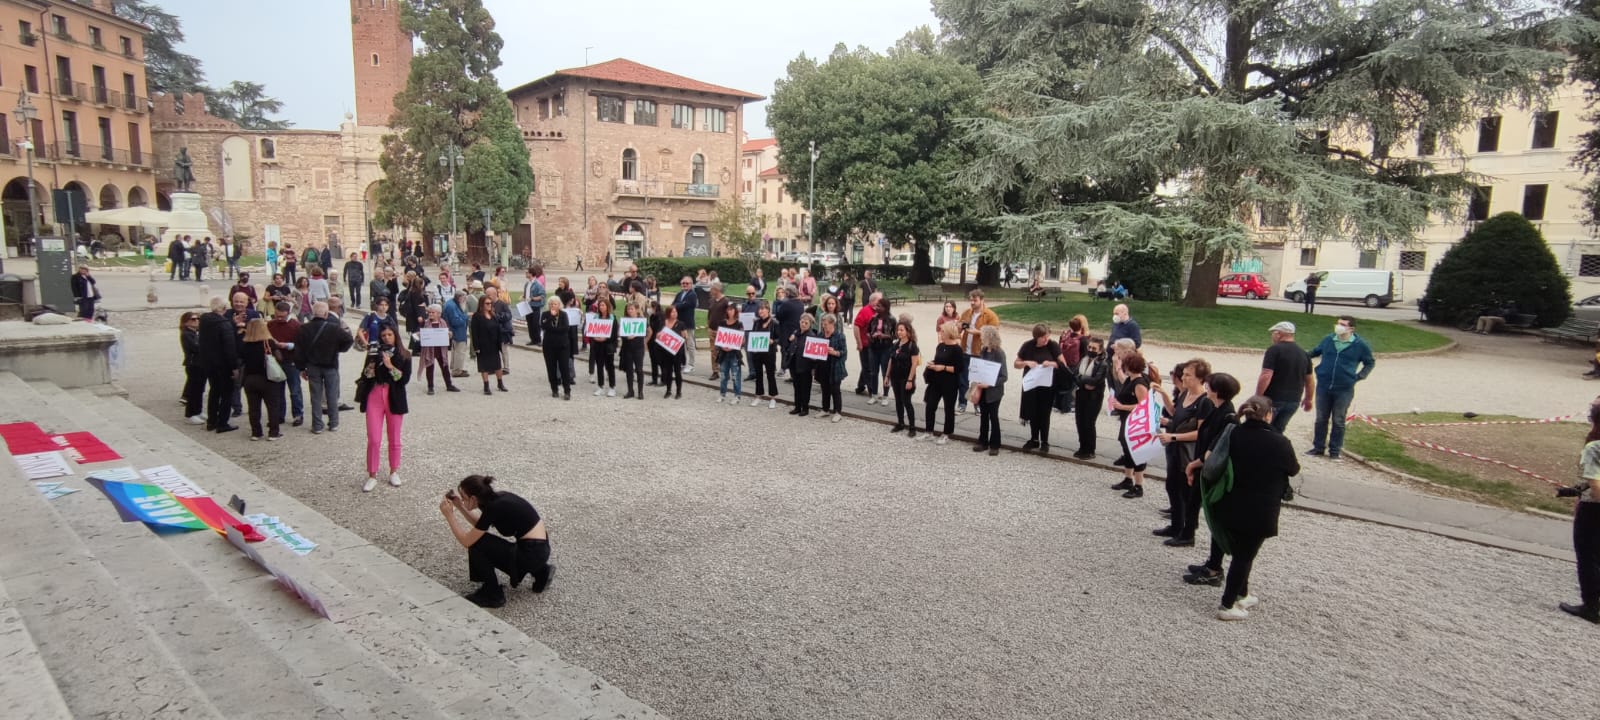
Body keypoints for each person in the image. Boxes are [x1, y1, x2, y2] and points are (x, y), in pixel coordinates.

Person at [1202, 395, 1300, 621]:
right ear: (1269, 414)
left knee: (1240, 551)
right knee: (1245, 555)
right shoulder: (1280, 442)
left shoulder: (1234, 433)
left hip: (1231, 498)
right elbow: (1293, 469)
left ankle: (1242, 593)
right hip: (1260, 505)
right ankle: (1227, 604)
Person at [440, 474, 556, 608]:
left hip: (531, 553)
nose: (463, 501)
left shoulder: (493, 507)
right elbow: (480, 526)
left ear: (473, 498)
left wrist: (449, 516)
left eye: (464, 499)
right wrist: (460, 507)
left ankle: (493, 594)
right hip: (539, 550)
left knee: (477, 545)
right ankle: (541, 572)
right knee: (479, 539)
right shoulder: (497, 499)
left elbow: (468, 541)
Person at [1181, 372, 1242, 587]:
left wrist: (1194, 463)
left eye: (1208, 385)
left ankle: (1214, 569)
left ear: (1215, 390)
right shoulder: (1217, 410)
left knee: (1216, 520)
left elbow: (1213, 450)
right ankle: (1211, 563)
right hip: (1202, 469)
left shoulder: (1228, 416)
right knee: (1196, 505)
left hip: (1210, 472)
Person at [1155, 360, 1211, 546]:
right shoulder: (1185, 393)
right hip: (1174, 448)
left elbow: (1201, 433)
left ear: (1201, 379)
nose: (1183, 378)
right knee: (1172, 487)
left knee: (1185, 493)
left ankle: (1187, 532)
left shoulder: (1204, 402)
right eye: (1184, 374)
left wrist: (1174, 437)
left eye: (1188, 375)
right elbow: (1174, 413)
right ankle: (1175, 525)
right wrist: (1163, 394)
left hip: (1187, 451)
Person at [1306, 315, 1375, 461]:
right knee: (1321, 418)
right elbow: (1315, 352)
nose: (1339, 327)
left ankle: (1335, 450)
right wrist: (1300, 357)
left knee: (1338, 419)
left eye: (1343, 325)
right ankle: (1318, 447)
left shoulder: (1360, 345)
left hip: (1344, 388)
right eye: (1338, 324)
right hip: (1324, 385)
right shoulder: (1329, 339)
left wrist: (1358, 376)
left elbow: (1369, 362)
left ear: (1351, 328)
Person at [1559, 401, 1600, 624]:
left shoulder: (1594, 447)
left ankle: (1591, 606)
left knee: (1587, 554)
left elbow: (1596, 486)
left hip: (1593, 510)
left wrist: (1588, 492)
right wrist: (1574, 490)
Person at [357, 325, 410, 492]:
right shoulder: (374, 352)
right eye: (384, 335)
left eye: (390, 334)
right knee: (374, 438)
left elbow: (403, 380)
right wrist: (372, 364)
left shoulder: (404, 354)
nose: (387, 337)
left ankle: (394, 471)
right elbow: (365, 375)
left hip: (394, 395)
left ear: (395, 335)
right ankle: (372, 474)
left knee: (394, 437)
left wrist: (390, 366)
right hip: (375, 394)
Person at [294, 301, 353, 434]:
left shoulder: (304, 328)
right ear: (326, 313)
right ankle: (333, 423)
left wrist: (301, 368)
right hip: (330, 364)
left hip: (312, 365)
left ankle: (317, 425)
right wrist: (338, 349)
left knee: (315, 396)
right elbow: (349, 340)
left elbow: (299, 350)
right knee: (332, 395)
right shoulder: (333, 327)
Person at [1015, 323, 1067, 454]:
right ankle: (1034, 438)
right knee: (1032, 411)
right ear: (1036, 337)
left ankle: (1045, 440)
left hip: (1047, 385)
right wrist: (1026, 363)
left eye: (1047, 336)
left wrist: (1051, 363)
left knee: (1044, 412)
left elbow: (1063, 364)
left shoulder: (1053, 346)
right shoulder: (1028, 346)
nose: (1046, 339)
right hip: (1032, 384)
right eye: (1043, 337)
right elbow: (1016, 363)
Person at [1109, 345, 1152, 497]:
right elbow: (1121, 378)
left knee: (1136, 451)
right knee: (1126, 447)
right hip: (1126, 420)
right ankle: (1128, 478)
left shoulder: (1139, 383)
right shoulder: (1131, 379)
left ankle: (1139, 485)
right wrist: (1116, 365)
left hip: (1135, 421)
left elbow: (1144, 405)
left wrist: (1122, 406)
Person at [1257, 321, 1314, 433]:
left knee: (1262, 429)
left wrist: (1258, 396)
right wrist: (1308, 399)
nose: (1272, 336)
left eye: (1273, 333)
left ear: (1279, 334)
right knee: (1278, 430)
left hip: (1273, 398)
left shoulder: (1274, 350)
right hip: (1293, 400)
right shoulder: (1303, 353)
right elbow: (1310, 380)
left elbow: (1266, 375)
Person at [239, 319, 286, 441]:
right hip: (267, 378)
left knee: (253, 407)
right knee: (272, 406)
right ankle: (273, 432)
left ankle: (256, 432)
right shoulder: (268, 342)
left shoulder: (244, 344)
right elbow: (279, 358)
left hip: (249, 378)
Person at [198, 297, 240, 433]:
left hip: (209, 363)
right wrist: (234, 367)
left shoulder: (204, 321)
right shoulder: (223, 324)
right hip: (223, 365)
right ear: (224, 309)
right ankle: (222, 422)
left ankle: (211, 421)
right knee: (227, 394)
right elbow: (230, 348)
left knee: (214, 392)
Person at [957, 290, 1000, 414]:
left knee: (978, 381)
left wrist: (977, 332)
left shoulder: (990, 315)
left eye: (975, 300)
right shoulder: (966, 313)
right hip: (965, 350)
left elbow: (994, 334)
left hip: (979, 352)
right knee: (963, 380)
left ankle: (978, 404)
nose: (972, 303)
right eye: (971, 300)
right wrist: (959, 327)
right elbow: (959, 329)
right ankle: (962, 403)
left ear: (982, 300)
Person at [266, 301, 305, 427]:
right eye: (277, 316)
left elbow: (302, 345)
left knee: (294, 390)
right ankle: (279, 415)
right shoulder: (271, 324)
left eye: (282, 316)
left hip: (291, 361)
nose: (279, 319)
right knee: (277, 391)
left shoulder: (296, 326)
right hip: (276, 361)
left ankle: (298, 414)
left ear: (288, 313)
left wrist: (288, 345)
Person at [923, 321, 963, 445]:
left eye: (943, 331)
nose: (940, 333)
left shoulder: (957, 349)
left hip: (950, 382)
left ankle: (946, 434)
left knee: (948, 409)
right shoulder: (940, 346)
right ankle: (929, 431)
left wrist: (943, 367)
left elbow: (959, 368)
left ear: (949, 333)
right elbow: (938, 359)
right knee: (930, 405)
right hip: (936, 381)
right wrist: (933, 364)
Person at [1071, 338, 1109, 459]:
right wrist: (1083, 380)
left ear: (1100, 350)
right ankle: (1082, 447)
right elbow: (1075, 375)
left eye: (1094, 348)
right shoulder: (1084, 359)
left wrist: (1082, 379)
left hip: (1094, 397)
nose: (1091, 350)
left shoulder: (1103, 364)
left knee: (1089, 422)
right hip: (1081, 393)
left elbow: (1095, 381)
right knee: (1079, 421)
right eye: (1089, 347)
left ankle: (1090, 449)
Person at [887, 316, 921, 437]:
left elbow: (914, 364)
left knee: (906, 401)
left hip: (906, 377)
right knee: (898, 401)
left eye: (902, 330)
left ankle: (912, 426)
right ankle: (900, 423)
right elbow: (891, 360)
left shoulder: (912, 346)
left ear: (908, 331)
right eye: (898, 330)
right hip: (895, 376)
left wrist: (910, 380)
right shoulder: (896, 344)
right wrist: (887, 376)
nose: (899, 332)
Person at [471, 291, 507, 396]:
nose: (489, 305)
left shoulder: (493, 315)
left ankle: (500, 383)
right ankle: (486, 386)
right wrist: (476, 346)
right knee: (484, 366)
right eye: (487, 303)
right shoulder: (477, 316)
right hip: (483, 344)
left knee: (497, 365)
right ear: (482, 304)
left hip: (494, 344)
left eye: (490, 303)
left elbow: (498, 329)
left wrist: (500, 342)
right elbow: (474, 332)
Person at [537, 298, 574, 400]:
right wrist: (551, 317)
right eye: (552, 304)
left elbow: (565, 328)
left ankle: (567, 390)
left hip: (563, 345)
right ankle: (554, 389)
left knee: (564, 368)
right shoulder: (545, 314)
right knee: (551, 368)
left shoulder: (563, 315)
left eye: (556, 304)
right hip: (549, 346)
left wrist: (552, 329)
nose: (554, 306)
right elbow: (543, 326)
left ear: (559, 305)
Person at [419, 304, 460, 394]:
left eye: (433, 312)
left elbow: (446, 333)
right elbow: (422, 333)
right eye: (429, 312)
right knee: (430, 367)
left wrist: (449, 334)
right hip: (430, 349)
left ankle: (449, 385)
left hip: (441, 349)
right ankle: (430, 387)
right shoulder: (426, 323)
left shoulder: (443, 322)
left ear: (439, 314)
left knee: (445, 367)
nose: (430, 314)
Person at [864, 295, 897, 407]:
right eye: (876, 305)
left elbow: (896, 335)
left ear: (885, 307)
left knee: (885, 373)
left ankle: (885, 396)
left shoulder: (892, 320)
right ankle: (874, 394)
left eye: (879, 306)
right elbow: (867, 330)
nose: (876, 307)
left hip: (886, 348)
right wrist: (870, 336)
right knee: (873, 372)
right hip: (873, 347)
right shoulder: (873, 318)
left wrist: (885, 336)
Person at [816, 313, 848, 423]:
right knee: (824, 389)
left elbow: (844, 353)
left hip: (835, 367)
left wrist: (835, 352)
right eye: (823, 324)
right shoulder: (820, 335)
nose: (824, 327)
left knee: (835, 390)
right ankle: (825, 409)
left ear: (832, 324)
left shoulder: (840, 336)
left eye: (826, 324)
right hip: (823, 366)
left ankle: (838, 412)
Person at [748, 300, 778, 408]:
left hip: (769, 353)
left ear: (768, 310)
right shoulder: (756, 322)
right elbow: (753, 335)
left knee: (770, 375)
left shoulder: (774, 323)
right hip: (757, 353)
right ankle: (759, 395)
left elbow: (779, 338)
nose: (760, 311)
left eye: (762, 309)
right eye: (759, 309)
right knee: (758, 374)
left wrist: (773, 341)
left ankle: (773, 397)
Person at [179, 312, 206, 425]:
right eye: (193, 319)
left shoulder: (196, 333)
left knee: (200, 390)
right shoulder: (186, 334)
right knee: (194, 390)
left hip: (201, 364)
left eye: (198, 319)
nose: (197, 321)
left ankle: (198, 410)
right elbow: (196, 347)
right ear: (186, 322)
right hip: (193, 364)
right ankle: (190, 413)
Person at [789, 314, 818, 416]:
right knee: (796, 386)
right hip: (795, 363)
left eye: (806, 323)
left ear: (810, 324)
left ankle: (805, 408)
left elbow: (814, 355)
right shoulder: (796, 333)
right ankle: (797, 406)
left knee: (805, 388)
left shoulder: (811, 336)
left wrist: (813, 368)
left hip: (806, 365)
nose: (804, 324)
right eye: (802, 322)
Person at [591, 298, 620, 398]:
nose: (601, 307)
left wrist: (605, 339)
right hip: (598, 345)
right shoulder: (596, 317)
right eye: (600, 305)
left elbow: (614, 334)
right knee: (599, 366)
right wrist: (595, 337)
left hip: (608, 345)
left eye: (603, 305)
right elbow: (591, 330)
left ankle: (612, 387)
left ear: (607, 306)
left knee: (610, 366)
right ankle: (600, 386)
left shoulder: (612, 318)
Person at [619, 301, 647, 400]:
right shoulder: (625, 320)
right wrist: (626, 336)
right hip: (627, 348)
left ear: (636, 310)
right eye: (628, 309)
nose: (630, 311)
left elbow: (646, 332)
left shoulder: (641, 320)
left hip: (638, 348)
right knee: (629, 370)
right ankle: (630, 390)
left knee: (639, 369)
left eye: (632, 309)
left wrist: (637, 336)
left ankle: (640, 391)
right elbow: (622, 334)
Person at [774, 287, 804, 378]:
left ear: (788, 294)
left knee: (785, 350)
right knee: (794, 351)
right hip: (797, 331)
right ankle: (793, 375)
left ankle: (783, 368)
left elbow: (779, 316)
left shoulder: (786, 304)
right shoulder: (801, 304)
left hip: (786, 331)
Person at [671, 276, 699, 373]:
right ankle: (682, 363)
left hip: (688, 323)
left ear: (691, 284)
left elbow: (686, 305)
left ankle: (691, 364)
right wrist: (679, 304)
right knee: (680, 344)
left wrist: (678, 304)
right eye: (683, 283)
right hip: (679, 323)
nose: (685, 285)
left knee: (690, 344)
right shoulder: (679, 294)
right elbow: (673, 304)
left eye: (687, 283)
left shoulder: (692, 295)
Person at [659, 304, 686, 399]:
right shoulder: (663, 323)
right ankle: (668, 390)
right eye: (673, 312)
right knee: (668, 371)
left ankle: (678, 391)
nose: (675, 313)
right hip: (666, 351)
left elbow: (684, 336)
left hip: (677, 351)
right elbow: (659, 334)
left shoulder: (681, 324)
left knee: (677, 371)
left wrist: (681, 338)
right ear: (668, 313)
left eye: (676, 312)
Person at [706, 282, 730, 381]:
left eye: (712, 290)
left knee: (724, 351)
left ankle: (725, 371)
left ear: (717, 290)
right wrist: (708, 324)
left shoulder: (725, 301)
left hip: (722, 330)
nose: (711, 292)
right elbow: (710, 313)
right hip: (712, 329)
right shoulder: (711, 300)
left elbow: (730, 314)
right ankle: (715, 371)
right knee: (713, 351)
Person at [444, 290, 471, 378]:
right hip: (457, 331)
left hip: (455, 331)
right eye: (464, 298)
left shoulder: (451, 303)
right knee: (460, 351)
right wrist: (466, 316)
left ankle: (455, 367)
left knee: (455, 350)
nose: (465, 300)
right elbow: (456, 321)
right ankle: (457, 370)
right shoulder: (452, 306)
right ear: (460, 297)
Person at [523, 266, 546, 345]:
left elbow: (542, 295)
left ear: (531, 274)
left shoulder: (537, 284)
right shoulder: (527, 283)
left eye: (527, 272)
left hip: (535, 306)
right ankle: (533, 339)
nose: (525, 274)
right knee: (529, 323)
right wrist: (523, 297)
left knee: (535, 323)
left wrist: (533, 298)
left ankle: (538, 339)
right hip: (527, 305)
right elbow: (526, 294)